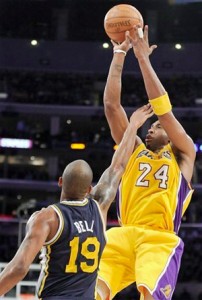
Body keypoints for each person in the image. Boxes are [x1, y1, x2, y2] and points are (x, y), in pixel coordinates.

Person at [0, 104, 153, 300]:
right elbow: (118, 167)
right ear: (89, 190)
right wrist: (132, 126)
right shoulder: (99, 207)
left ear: (60, 182)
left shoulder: (47, 218)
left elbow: (19, 268)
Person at [96, 26, 196, 300]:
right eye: (148, 127)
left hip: (158, 239)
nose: (150, 129)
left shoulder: (184, 154)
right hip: (122, 233)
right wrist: (119, 54)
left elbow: (163, 110)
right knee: (90, 290)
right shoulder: (134, 149)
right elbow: (111, 106)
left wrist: (143, 59)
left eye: (157, 127)